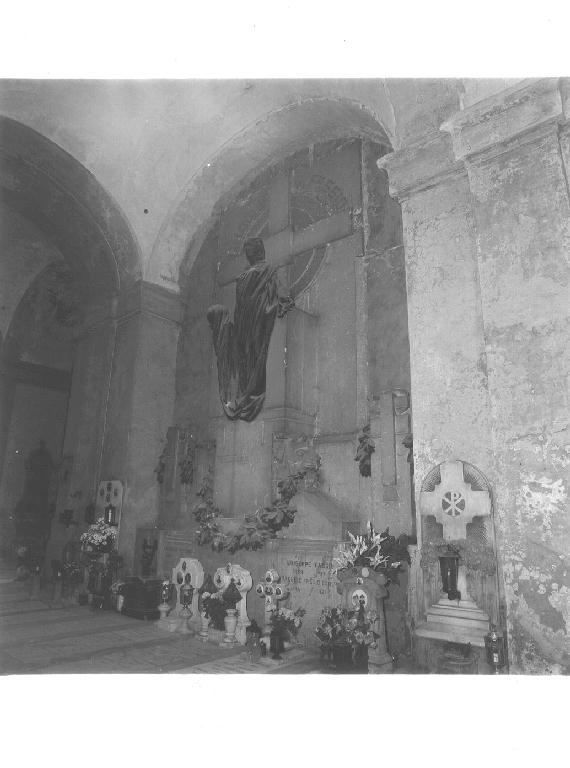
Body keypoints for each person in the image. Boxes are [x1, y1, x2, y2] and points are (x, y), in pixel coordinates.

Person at [207, 237, 294, 422]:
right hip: (254, 324)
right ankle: (248, 395)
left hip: (251, 325)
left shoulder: (247, 276)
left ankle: (246, 396)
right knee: (252, 359)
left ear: (256, 254)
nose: (250, 257)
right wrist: (281, 304)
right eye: (249, 254)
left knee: (251, 359)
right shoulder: (265, 272)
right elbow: (283, 296)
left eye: (250, 253)